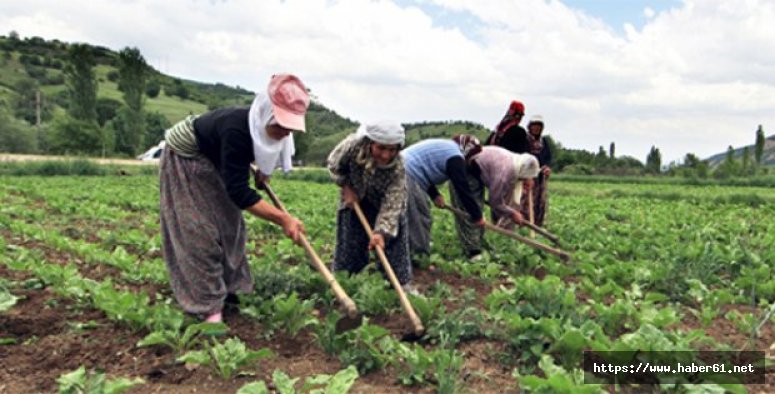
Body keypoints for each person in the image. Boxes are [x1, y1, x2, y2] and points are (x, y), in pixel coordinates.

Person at [159, 74, 309, 323]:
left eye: (289, 128)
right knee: (198, 230)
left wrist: (265, 172)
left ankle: (234, 290)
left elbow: (268, 150)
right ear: (265, 115)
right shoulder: (237, 129)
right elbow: (239, 192)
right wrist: (283, 218)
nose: (284, 132)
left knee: (231, 226)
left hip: (216, 158)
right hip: (186, 158)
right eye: (280, 126)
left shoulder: (279, 132)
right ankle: (207, 306)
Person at [327, 122, 415, 293]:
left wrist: (381, 232)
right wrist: (346, 187)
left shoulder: (398, 167)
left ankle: (399, 284)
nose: (385, 155)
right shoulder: (352, 147)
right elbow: (333, 165)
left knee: (394, 239)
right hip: (355, 194)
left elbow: (393, 202)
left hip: (383, 201)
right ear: (370, 143)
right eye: (381, 148)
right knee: (350, 236)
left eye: (392, 150)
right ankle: (347, 281)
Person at [402, 135, 485, 260]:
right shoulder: (455, 157)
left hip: (403, 168)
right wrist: (477, 215)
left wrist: (434, 195)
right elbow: (463, 190)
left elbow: (423, 166)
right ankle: (419, 257)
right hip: (407, 174)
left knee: (404, 215)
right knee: (420, 217)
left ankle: (403, 250)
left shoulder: (447, 148)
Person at [450, 146, 540, 258]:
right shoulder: (505, 173)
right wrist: (512, 213)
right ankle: (472, 251)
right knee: (470, 212)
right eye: (524, 179)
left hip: (477, 172)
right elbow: (495, 202)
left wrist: (527, 180)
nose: (523, 181)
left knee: (477, 210)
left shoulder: (516, 162)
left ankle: (478, 244)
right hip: (464, 172)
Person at [521, 115, 552, 226]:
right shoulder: (525, 140)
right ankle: (525, 223)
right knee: (526, 200)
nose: (536, 128)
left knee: (540, 201)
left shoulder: (543, 142)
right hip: (527, 175)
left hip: (540, 176)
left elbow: (547, 157)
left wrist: (546, 167)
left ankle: (537, 224)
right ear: (530, 126)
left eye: (539, 126)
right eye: (534, 126)